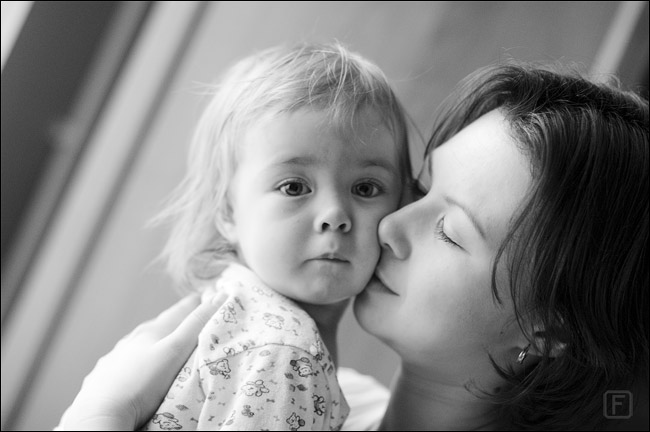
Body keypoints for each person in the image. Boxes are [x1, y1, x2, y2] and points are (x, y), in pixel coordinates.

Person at [58, 61, 648, 430]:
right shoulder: (316, 388)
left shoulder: (291, 371)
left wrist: (99, 415)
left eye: (449, 229)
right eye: (422, 187)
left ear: (548, 327)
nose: (386, 224)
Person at [136, 42, 411, 431]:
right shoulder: (286, 355)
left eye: (365, 188)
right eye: (294, 187)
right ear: (227, 210)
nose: (335, 215)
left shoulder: (248, 324)